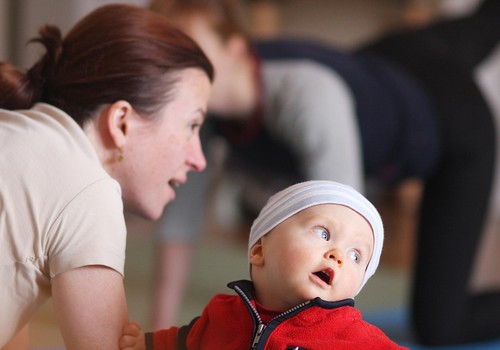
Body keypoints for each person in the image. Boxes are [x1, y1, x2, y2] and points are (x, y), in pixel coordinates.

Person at [149, 0, 500, 346]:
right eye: (166, 57)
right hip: (398, 57)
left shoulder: (307, 97)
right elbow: (181, 220)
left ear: (235, 48)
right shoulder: (204, 108)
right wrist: (158, 327)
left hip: (453, 121)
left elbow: (343, 235)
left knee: (440, 328)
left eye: (190, 53)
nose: (175, 69)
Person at [0, 3, 213, 349]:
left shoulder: (23, 136)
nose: (199, 159)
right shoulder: (89, 190)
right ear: (121, 123)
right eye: (191, 125)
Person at [120, 181, 408, 350]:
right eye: (323, 233)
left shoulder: (355, 340)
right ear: (259, 250)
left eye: (356, 256)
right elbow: (186, 340)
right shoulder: (222, 313)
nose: (338, 255)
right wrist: (145, 343)